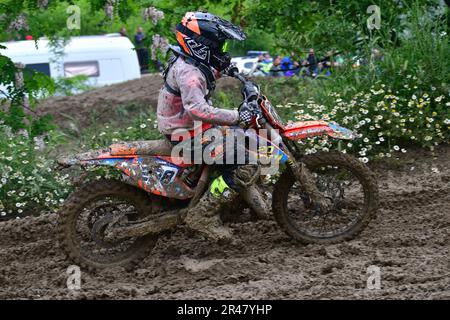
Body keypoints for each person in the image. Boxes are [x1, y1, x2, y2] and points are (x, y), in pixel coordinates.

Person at [157, 12, 259, 243]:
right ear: (201, 45)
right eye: (219, 45)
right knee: (244, 166)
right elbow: (197, 109)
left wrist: (228, 70)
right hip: (186, 134)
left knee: (239, 144)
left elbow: (207, 71)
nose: (222, 50)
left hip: (187, 127)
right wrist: (237, 115)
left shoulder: (189, 61)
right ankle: (203, 216)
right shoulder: (190, 74)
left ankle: (232, 200)